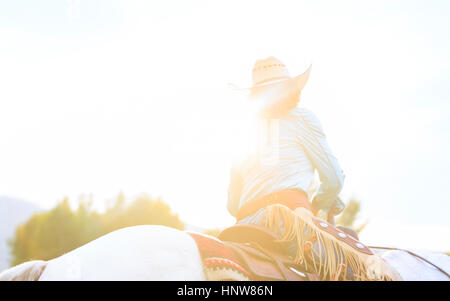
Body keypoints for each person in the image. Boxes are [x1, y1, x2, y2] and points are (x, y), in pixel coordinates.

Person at [227, 57, 401, 281]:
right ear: (290, 90)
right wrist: (318, 204)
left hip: (242, 227)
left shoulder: (243, 133)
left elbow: (232, 206)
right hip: (289, 223)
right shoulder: (302, 119)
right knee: (362, 269)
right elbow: (333, 178)